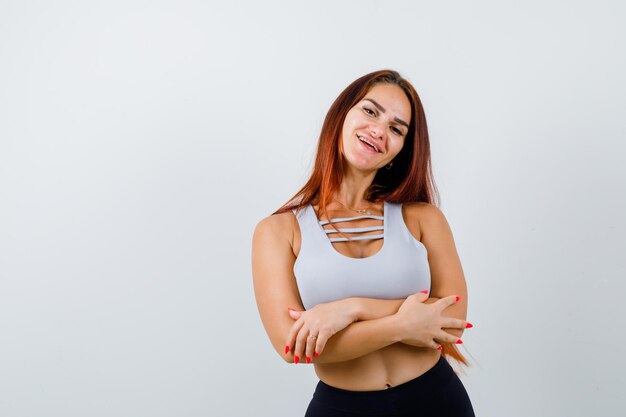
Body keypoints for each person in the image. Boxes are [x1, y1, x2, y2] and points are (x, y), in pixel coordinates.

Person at [252, 69, 476, 416]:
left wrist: (349, 308)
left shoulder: (423, 218)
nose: (379, 131)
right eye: (370, 111)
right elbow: (292, 345)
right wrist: (403, 324)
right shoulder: (278, 230)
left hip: (437, 400)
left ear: (402, 149)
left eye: (396, 128)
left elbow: (451, 318)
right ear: (342, 115)